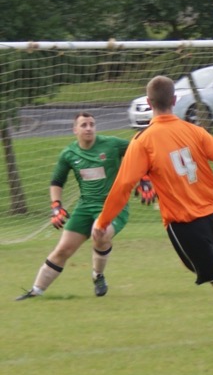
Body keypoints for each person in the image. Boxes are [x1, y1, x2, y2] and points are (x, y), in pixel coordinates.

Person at [92, 75, 213, 343]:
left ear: (149, 103)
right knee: (201, 267)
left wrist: (103, 221)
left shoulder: (143, 141)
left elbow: (124, 185)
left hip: (184, 224)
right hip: (210, 217)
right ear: (174, 100)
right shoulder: (195, 131)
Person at [15, 112, 156, 300]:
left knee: (101, 232)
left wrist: (145, 179)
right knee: (63, 249)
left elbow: (142, 154)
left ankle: (97, 275)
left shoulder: (112, 144)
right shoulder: (69, 154)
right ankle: (35, 291)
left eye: (92, 124)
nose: (89, 128)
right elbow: (57, 181)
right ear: (75, 130)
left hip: (114, 206)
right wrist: (56, 205)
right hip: (85, 207)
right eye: (84, 125)